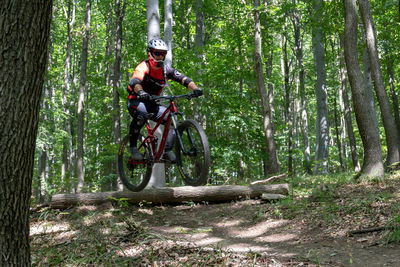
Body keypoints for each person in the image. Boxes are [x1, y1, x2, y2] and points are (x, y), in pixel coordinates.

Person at [126, 38, 203, 162]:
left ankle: (167, 150)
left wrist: (196, 89)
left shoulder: (166, 71)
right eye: (157, 53)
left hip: (152, 103)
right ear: (149, 53)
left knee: (171, 118)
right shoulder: (143, 67)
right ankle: (133, 147)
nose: (160, 56)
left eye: (163, 54)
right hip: (137, 101)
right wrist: (141, 92)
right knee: (141, 115)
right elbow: (135, 81)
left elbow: (183, 79)